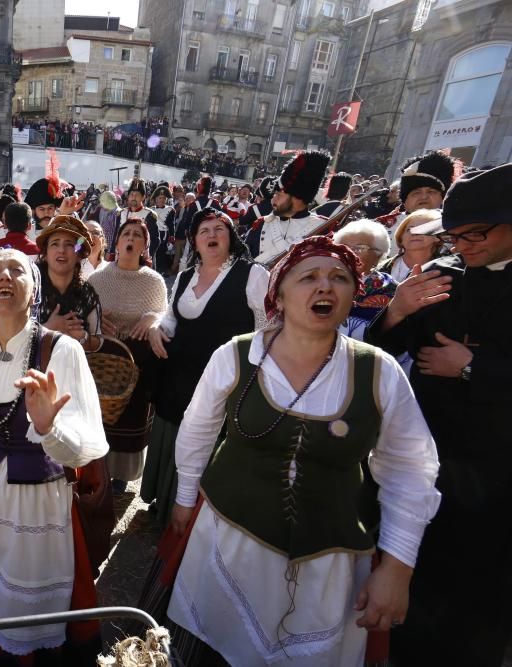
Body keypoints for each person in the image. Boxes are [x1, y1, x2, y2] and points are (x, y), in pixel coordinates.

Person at [166, 236, 440, 667]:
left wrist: (398, 566)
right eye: (308, 277)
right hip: (229, 540)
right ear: (279, 293)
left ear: (355, 293)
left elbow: (411, 471)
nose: (325, 287)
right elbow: (198, 429)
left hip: (328, 562)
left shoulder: (378, 371)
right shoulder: (237, 355)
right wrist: (184, 498)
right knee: (213, 648)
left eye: (340, 278)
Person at [364, 164, 512, 667]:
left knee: (477, 596)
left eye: (477, 234)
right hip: (427, 455)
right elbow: (383, 349)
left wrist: (474, 368)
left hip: (498, 471)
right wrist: (398, 312)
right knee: (412, 571)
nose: (464, 245)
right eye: (455, 236)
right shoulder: (441, 278)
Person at [0, 248, 109, 662]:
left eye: (16, 270)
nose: (4, 276)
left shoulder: (62, 351)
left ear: (34, 290)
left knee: (19, 593)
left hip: (34, 500)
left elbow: (86, 445)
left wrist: (49, 426)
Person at [142, 208, 268, 527]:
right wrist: (158, 327)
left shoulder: (252, 275)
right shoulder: (186, 277)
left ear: (231, 237)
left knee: (206, 435)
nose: (212, 235)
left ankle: (195, 516)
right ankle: (164, 502)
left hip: (224, 380)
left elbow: (267, 327)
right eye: (204, 231)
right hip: (178, 376)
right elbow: (172, 316)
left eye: (219, 229)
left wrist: (254, 370)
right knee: (173, 430)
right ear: (195, 242)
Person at [88, 219, 167, 492]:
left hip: (137, 362)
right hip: (103, 359)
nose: (131, 238)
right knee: (100, 415)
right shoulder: (98, 277)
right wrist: (97, 321)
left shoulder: (154, 281)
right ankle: (96, 470)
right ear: (117, 242)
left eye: (138, 235)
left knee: (129, 417)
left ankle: (120, 476)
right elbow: (86, 316)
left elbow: (164, 317)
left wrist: (153, 318)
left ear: (145, 246)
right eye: (126, 234)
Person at [246, 151, 331, 262]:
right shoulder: (261, 224)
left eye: (278, 194)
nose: (273, 199)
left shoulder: (323, 229)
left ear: (297, 195)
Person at [35, 215, 103, 352]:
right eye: (55, 244)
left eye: (70, 245)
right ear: (45, 254)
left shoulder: (87, 294)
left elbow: (98, 341)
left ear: (79, 255)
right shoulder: (30, 288)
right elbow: (13, 334)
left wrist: (83, 337)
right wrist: (48, 328)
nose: (61, 250)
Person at [333, 219, 397, 340]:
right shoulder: (320, 282)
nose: (349, 253)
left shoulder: (390, 289)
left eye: (359, 248)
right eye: (343, 247)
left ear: (377, 255)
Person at [375, 151, 457, 236]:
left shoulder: (455, 232)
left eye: (431, 192)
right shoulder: (378, 229)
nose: (424, 197)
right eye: (416, 192)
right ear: (404, 200)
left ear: (442, 198)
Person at [380, 209, 445, 282]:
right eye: (409, 229)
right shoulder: (379, 270)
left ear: (437, 237)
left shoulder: (449, 268)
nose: (414, 233)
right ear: (401, 237)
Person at [108, 178, 158, 261]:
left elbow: (155, 240)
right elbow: (116, 235)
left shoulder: (149, 215)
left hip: (140, 258)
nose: (133, 197)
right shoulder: (121, 213)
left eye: (137, 195)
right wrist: (112, 253)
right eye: (131, 194)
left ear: (143, 197)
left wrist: (145, 256)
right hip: (121, 256)